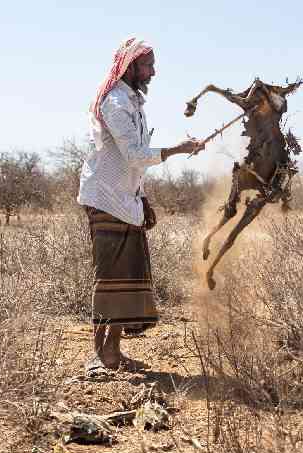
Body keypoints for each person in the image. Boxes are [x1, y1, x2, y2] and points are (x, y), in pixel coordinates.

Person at [78, 36, 202, 377]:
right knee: (109, 277)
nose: (153, 71)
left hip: (126, 200)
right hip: (104, 198)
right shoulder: (115, 103)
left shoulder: (133, 104)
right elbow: (135, 155)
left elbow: (135, 163)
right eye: (147, 65)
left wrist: (143, 197)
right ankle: (98, 356)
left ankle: (113, 354)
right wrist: (176, 150)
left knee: (128, 276)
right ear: (131, 66)